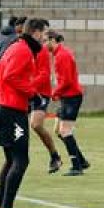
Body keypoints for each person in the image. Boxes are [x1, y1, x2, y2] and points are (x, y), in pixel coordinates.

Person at [0, 18, 49, 208]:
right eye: (44, 34)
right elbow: (10, 76)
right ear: (34, 32)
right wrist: (33, 94)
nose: (45, 38)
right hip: (11, 111)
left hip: (3, 107)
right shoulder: (22, 50)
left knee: (10, 160)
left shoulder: (15, 47)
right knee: (21, 160)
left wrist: (3, 94)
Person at [48, 31, 90, 176]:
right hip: (66, 96)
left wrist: (54, 93)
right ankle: (82, 161)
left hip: (71, 97)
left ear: (52, 40)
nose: (42, 44)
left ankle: (76, 166)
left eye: (44, 41)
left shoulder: (62, 55)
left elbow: (66, 81)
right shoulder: (59, 54)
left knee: (65, 131)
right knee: (59, 131)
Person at [29, 32, 62, 173]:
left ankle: (55, 156)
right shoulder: (21, 48)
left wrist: (29, 86)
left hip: (40, 93)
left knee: (36, 125)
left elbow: (44, 74)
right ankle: (9, 166)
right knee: (18, 129)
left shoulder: (40, 50)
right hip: (27, 91)